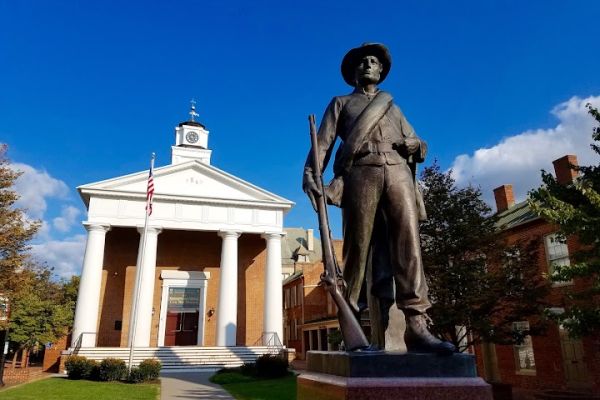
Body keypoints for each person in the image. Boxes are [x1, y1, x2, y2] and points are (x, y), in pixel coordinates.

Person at [303, 43, 454, 354]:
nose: (368, 65)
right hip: (362, 173)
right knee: (358, 250)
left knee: (408, 245)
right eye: (362, 62)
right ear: (354, 72)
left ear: (381, 70)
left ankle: (416, 324)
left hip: (398, 171)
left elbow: (418, 141)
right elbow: (323, 145)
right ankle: (355, 326)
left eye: (373, 61)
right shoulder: (341, 103)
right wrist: (310, 174)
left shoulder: (392, 106)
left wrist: (414, 144)